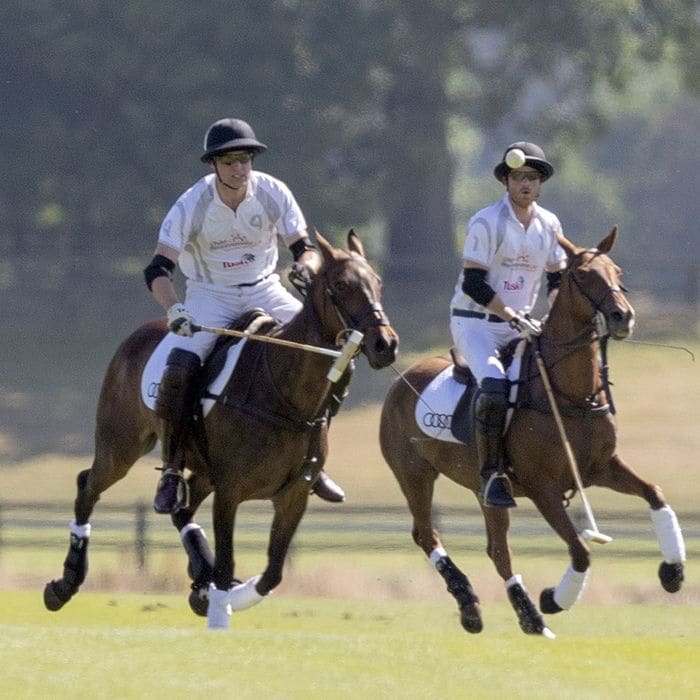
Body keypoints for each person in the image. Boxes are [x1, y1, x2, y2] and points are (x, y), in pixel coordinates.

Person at [143, 117, 346, 513]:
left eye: (246, 159)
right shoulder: (192, 204)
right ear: (214, 164)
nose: (240, 168)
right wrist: (175, 309)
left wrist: (305, 265)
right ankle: (171, 469)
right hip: (209, 296)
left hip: (265, 288)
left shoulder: (272, 192)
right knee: (181, 366)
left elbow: (305, 246)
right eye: (231, 160)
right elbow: (157, 270)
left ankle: (313, 459)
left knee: (329, 352)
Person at [449, 142, 567, 508]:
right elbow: (473, 283)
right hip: (476, 324)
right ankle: (490, 475)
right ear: (506, 181)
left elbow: (558, 280)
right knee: (496, 386)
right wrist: (513, 316)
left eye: (532, 178)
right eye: (518, 177)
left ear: (540, 183)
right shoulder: (487, 221)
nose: (525, 185)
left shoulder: (549, 224)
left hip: (523, 326)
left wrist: (553, 318)